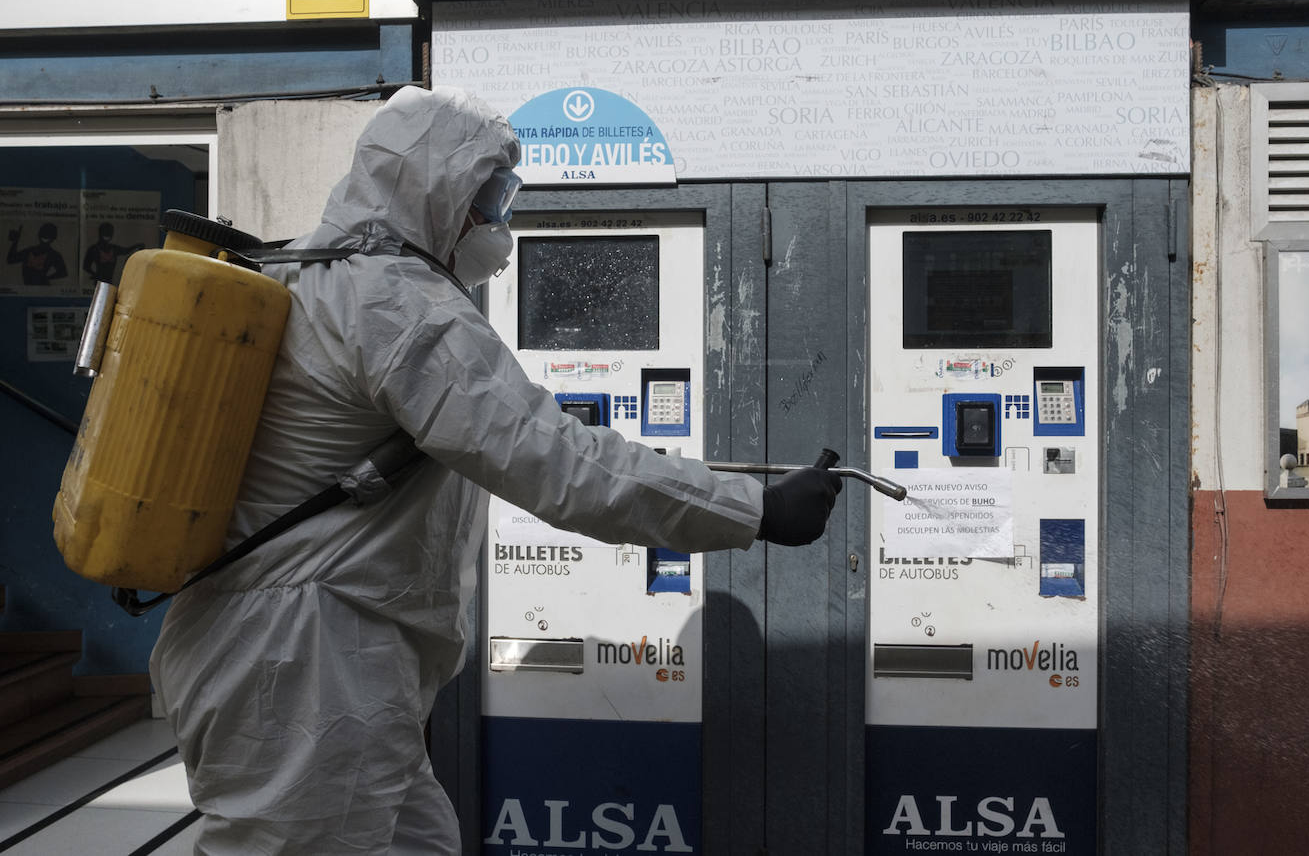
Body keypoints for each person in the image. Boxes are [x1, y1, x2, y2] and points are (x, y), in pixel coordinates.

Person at [148, 85, 841, 854]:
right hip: (305, 663)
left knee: (420, 841)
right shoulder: (396, 306)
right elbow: (555, 459)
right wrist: (752, 509)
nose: (495, 220)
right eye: (486, 195)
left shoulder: (310, 273)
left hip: (309, 654)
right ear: (433, 190)